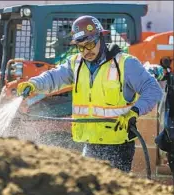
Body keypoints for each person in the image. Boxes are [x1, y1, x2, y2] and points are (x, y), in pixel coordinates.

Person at [17, 15, 163, 172]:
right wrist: (33, 84)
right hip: (89, 142)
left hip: (117, 146)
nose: (86, 51)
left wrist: (135, 111)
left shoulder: (126, 64)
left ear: (101, 37)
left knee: (112, 192)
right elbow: (53, 77)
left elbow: (153, 89)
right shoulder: (75, 64)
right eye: (81, 46)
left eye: (90, 44)